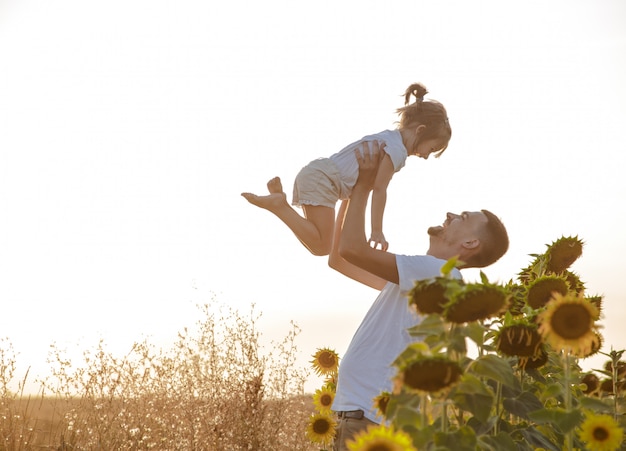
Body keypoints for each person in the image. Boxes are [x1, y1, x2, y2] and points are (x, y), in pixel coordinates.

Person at [327, 142, 509, 450]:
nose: (451, 214)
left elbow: (351, 249)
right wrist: (351, 196)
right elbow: (340, 259)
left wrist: (363, 185)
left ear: (470, 243)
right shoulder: (421, 279)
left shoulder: (438, 273)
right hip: (361, 416)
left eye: (463, 216)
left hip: (369, 420)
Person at [241, 83, 451, 256]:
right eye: (430, 149)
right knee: (322, 246)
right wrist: (376, 230)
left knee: (321, 243)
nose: (425, 156)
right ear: (420, 131)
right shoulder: (397, 151)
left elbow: (365, 184)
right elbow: (379, 189)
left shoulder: (389, 138)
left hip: (320, 175)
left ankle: (279, 203)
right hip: (325, 180)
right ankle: (280, 206)